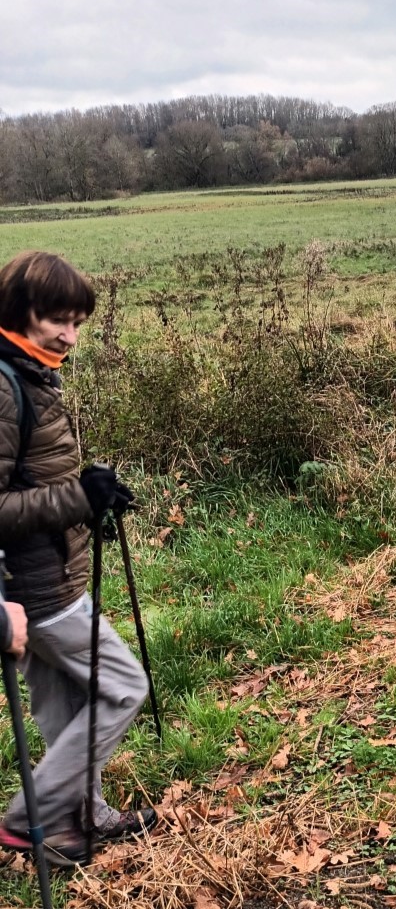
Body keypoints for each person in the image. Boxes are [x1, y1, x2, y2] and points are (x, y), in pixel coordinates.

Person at [0, 251, 157, 867]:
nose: (70, 336)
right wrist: (76, 496)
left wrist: (91, 495)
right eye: (57, 321)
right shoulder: (6, 388)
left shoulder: (28, 373)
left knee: (67, 703)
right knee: (123, 688)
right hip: (37, 590)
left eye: (78, 321)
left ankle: (73, 825)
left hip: (45, 578)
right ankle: (27, 818)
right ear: (20, 312)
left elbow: (31, 477)